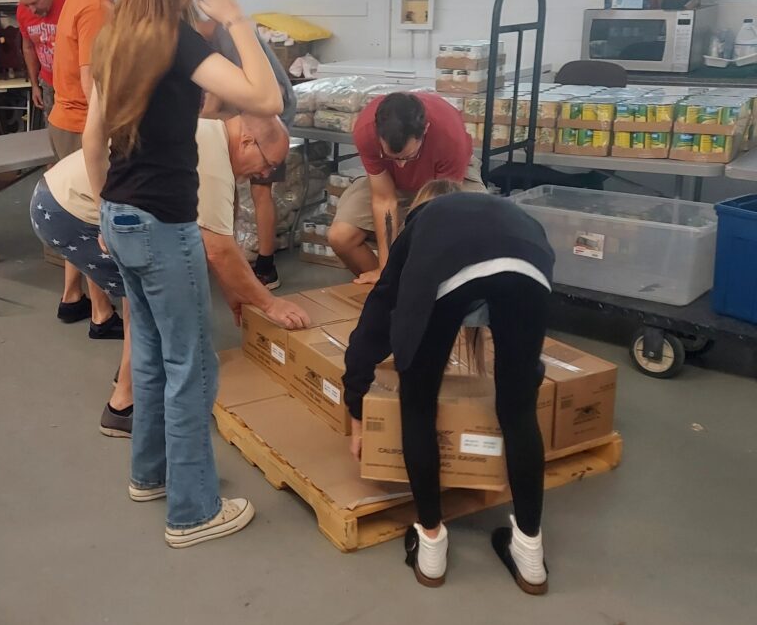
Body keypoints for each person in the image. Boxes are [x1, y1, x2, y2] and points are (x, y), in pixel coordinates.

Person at [83, 0, 283, 550]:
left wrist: (107, 212)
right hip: (163, 226)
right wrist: (234, 17)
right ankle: (193, 511)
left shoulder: (115, 33)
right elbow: (266, 99)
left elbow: (92, 139)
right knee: (191, 367)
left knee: (149, 354)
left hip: (120, 214)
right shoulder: (175, 37)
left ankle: (151, 475)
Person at [30, 113, 312, 435]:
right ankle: (123, 406)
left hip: (60, 197)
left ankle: (135, 376)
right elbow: (218, 249)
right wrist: (270, 304)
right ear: (248, 141)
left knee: (148, 294)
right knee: (149, 302)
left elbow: (215, 238)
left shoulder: (211, 135)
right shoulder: (213, 161)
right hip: (70, 211)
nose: (265, 174)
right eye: (268, 164)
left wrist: (235, 293)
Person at [342, 181, 555, 594]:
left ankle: (431, 544)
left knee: (418, 403)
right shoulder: (508, 214)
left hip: (460, 273)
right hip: (531, 267)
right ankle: (530, 553)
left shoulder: (421, 226)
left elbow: (375, 323)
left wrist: (357, 409)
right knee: (518, 410)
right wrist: (525, 378)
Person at [47, 0, 123, 327]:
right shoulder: (97, 6)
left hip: (65, 117)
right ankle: (100, 312)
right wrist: (107, 131)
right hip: (82, 123)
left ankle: (71, 297)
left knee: (77, 209)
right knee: (94, 217)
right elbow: (91, 78)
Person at [328, 91, 486, 283]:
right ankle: (389, 288)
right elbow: (384, 199)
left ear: (425, 129)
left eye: (408, 156)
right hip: (390, 180)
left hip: (444, 185)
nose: (402, 165)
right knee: (341, 237)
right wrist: (386, 270)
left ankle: (423, 290)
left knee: (473, 237)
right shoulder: (366, 131)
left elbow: (439, 214)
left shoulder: (449, 136)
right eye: (391, 157)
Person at [195, 17, 296, 291]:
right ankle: (230, 254)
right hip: (253, 118)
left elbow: (223, 92)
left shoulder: (228, 37)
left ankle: (266, 266)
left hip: (269, 123)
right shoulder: (215, 39)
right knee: (228, 185)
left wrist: (200, 126)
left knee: (260, 190)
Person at [14, 0, 71, 119]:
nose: (32, 10)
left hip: (72, 81)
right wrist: (34, 85)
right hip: (48, 80)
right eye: (27, 5)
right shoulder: (22, 12)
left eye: (35, 3)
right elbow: (28, 48)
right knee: (52, 125)